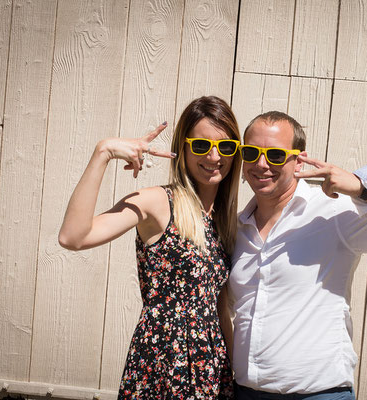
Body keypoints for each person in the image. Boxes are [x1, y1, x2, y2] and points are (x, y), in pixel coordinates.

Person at [228, 111, 367, 399]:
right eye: (252, 152)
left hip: (319, 394)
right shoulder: (237, 228)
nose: (262, 164)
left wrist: (361, 187)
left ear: (299, 160)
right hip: (246, 393)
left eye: (277, 155)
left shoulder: (333, 212)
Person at [58, 96, 241, 399]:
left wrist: (237, 375)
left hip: (212, 369)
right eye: (200, 145)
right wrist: (103, 152)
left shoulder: (225, 221)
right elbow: (73, 236)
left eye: (225, 147)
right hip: (162, 364)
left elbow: (221, 308)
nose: (213, 156)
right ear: (182, 147)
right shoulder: (159, 203)